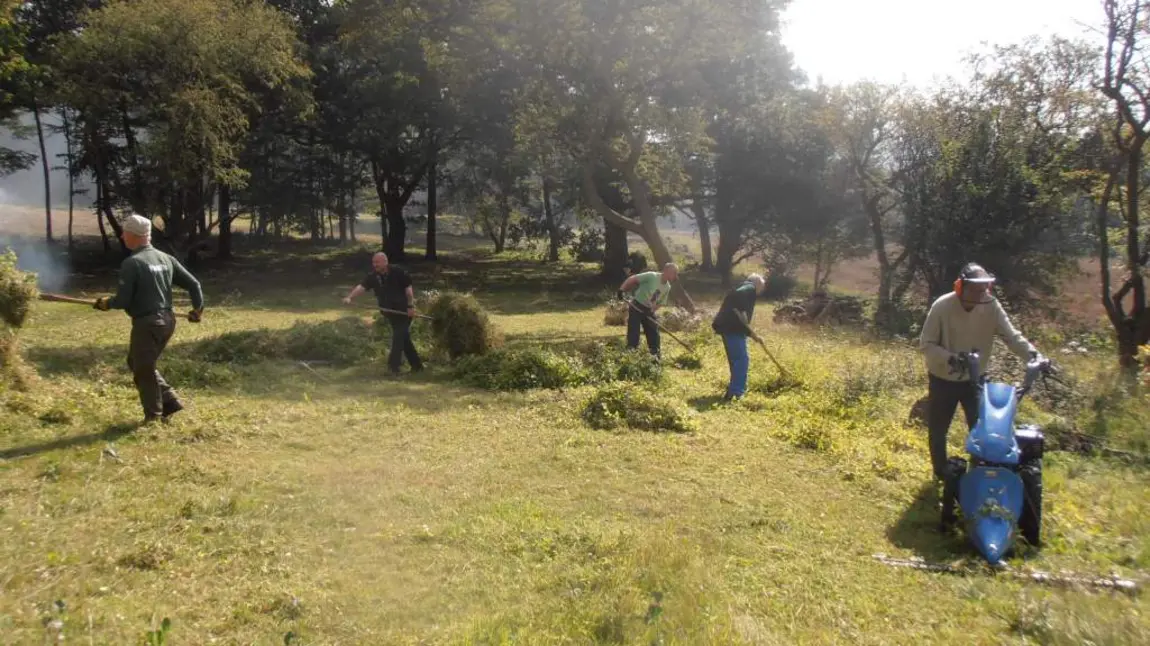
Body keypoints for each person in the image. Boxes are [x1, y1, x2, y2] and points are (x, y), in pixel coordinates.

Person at [919, 262, 1042, 480]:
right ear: (960, 287)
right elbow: (926, 344)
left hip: (975, 380)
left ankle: (980, 474)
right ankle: (941, 472)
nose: (980, 294)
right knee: (939, 429)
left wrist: (1034, 355)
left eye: (984, 289)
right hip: (943, 379)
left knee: (983, 431)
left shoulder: (991, 306)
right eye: (975, 290)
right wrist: (951, 359)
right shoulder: (942, 306)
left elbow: (1011, 336)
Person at [93, 214, 204, 424]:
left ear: (134, 235)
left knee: (143, 369)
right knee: (138, 362)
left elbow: (124, 300)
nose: (122, 236)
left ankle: (153, 416)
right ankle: (169, 401)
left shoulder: (132, 263)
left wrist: (106, 303)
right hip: (168, 322)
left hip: (148, 324)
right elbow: (194, 285)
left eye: (124, 233)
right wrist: (198, 310)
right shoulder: (165, 258)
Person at [343, 251, 424, 375]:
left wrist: (410, 306)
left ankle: (393, 368)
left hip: (404, 312)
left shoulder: (398, 272)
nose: (374, 265)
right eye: (373, 262)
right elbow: (362, 287)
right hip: (389, 312)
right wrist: (350, 297)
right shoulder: (374, 276)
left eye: (377, 262)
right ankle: (417, 366)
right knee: (404, 338)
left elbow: (408, 290)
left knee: (398, 337)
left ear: (385, 262)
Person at [711, 273, 768, 400]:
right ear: (757, 283)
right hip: (732, 328)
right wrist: (741, 310)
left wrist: (752, 335)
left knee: (736, 361)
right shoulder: (749, 288)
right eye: (762, 287)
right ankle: (736, 392)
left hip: (729, 327)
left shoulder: (744, 288)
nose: (761, 291)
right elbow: (738, 297)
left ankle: (734, 390)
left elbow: (743, 320)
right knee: (742, 360)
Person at [617, 262, 678, 358]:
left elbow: (661, 302)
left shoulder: (667, 287)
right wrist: (621, 290)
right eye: (674, 273)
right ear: (666, 271)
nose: (675, 276)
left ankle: (655, 356)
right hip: (636, 306)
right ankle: (630, 356)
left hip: (648, 311)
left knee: (654, 334)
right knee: (634, 333)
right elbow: (632, 279)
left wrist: (652, 309)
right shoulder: (652, 276)